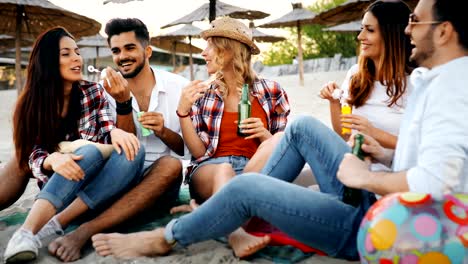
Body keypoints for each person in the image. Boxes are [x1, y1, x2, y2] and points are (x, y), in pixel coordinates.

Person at [92, 0, 468, 261]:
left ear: (445, 31)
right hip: (369, 193)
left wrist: (367, 178)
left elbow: (436, 181)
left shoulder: (453, 88)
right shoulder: (435, 79)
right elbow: (435, 162)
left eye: (416, 20)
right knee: (302, 126)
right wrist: (383, 154)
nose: (407, 29)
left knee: (244, 185)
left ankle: (166, 237)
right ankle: (229, 208)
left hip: (384, 220)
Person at [42, 19, 189, 262]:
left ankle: (85, 231)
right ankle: (96, 220)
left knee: (170, 165)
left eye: (130, 48)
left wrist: (164, 131)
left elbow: (190, 151)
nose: (122, 57)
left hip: (157, 184)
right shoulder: (101, 92)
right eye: (116, 51)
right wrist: (123, 103)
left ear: (147, 51)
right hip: (115, 180)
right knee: (122, 156)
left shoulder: (178, 87)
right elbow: (120, 149)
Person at [3, 27, 145, 263]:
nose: (77, 58)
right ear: (48, 61)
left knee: (134, 148)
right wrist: (50, 159)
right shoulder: (30, 104)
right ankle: (25, 233)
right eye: (66, 53)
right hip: (59, 191)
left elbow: (106, 126)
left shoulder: (93, 91)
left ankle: (57, 225)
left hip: (99, 189)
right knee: (86, 151)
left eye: (77, 52)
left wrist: (117, 131)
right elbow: (30, 154)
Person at [170, 17, 290, 256]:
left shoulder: (272, 91)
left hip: (251, 170)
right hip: (210, 169)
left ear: (226, 51)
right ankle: (236, 233)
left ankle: (206, 211)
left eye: (209, 47)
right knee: (224, 169)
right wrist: (183, 111)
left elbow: (282, 149)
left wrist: (265, 135)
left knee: (277, 140)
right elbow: (199, 153)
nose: (203, 53)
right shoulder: (204, 94)